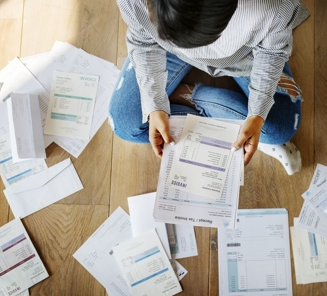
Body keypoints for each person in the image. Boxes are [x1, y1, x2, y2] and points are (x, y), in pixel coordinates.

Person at [109, 0, 304, 175]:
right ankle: (230, 122)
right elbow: (144, 42)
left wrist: (257, 115)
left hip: (245, 56)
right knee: (125, 124)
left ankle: (183, 94)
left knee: (281, 129)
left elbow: (271, 53)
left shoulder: (274, 7)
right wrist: (154, 104)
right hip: (167, 51)